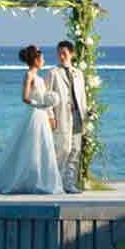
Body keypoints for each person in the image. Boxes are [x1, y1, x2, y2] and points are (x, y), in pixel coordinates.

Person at [0, 45, 63, 195]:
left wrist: (50, 112)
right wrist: (38, 104)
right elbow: (25, 97)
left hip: (42, 114)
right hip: (34, 114)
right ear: (36, 60)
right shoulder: (29, 75)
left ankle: (40, 179)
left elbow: (44, 97)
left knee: (44, 147)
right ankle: (22, 179)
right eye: (42, 58)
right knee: (29, 147)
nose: (44, 61)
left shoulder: (40, 79)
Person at [46, 39, 89, 193]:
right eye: (59, 53)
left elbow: (82, 97)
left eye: (64, 53)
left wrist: (85, 116)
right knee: (63, 149)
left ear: (72, 54)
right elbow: (47, 97)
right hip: (61, 116)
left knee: (75, 150)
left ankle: (69, 184)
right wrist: (51, 116)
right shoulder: (53, 73)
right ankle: (55, 182)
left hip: (77, 115)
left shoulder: (79, 74)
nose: (61, 56)